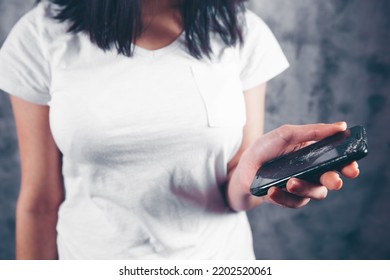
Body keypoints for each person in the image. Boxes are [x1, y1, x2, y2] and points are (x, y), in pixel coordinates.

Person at [0, 0, 359, 260]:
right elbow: (40, 202)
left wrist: (262, 179)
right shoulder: (40, 34)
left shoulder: (240, 29)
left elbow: (235, 190)